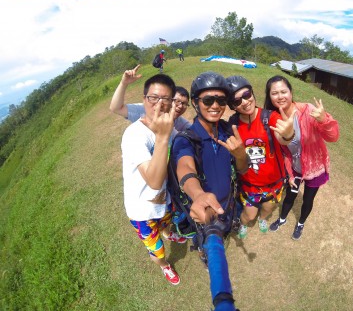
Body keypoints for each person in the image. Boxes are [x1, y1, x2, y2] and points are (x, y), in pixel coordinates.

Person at [170, 71, 249, 309]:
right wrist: (197, 194)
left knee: (224, 232)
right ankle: (204, 254)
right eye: (208, 100)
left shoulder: (227, 131)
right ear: (196, 103)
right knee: (207, 242)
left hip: (229, 206)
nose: (215, 106)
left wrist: (240, 155)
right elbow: (185, 167)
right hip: (204, 211)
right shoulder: (187, 139)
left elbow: (242, 169)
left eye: (221, 101)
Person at [120, 72, 186, 286]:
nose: (159, 104)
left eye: (165, 99)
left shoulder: (172, 130)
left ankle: (168, 233)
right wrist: (163, 136)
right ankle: (165, 266)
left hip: (163, 201)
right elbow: (154, 181)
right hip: (141, 211)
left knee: (166, 225)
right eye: (153, 98)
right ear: (144, 99)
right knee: (157, 252)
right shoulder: (134, 135)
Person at [265, 75, 339, 240]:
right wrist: (290, 174)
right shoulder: (274, 120)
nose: (280, 96)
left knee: (308, 198)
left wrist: (324, 120)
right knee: (290, 195)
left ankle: (301, 223)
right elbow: (284, 152)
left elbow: (333, 137)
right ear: (269, 97)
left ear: (291, 92)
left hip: (315, 167)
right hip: (296, 167)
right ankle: (282, 219)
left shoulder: (308, 110)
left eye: (283, 91)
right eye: (274, 93)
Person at [226, 75, 294, 239]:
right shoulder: (233, 125)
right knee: (249, 215)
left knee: (268, 209)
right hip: (250, 185)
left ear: (252, 93)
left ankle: (262, 220)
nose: (244, 102)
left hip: (275, 183)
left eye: (246, 95)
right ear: (232, 106)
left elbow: (282, 137)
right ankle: (243, 224)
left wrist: (288, 134)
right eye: (237, 101)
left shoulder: (269, 117)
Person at [109, 64, 191, 131]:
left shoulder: (179, 123)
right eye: (177, 101)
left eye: (184, 104)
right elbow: (116, 108)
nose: (180, 106)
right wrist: (124, 83)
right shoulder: (145, 110)